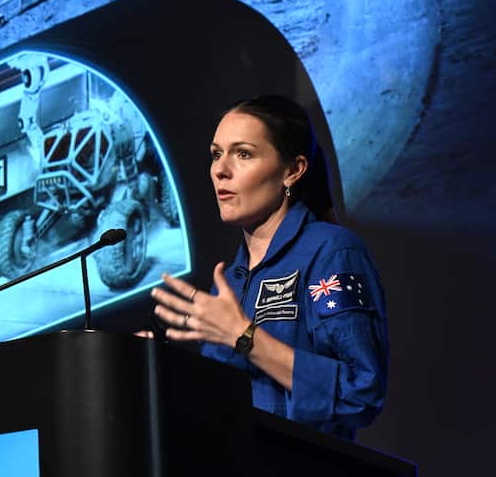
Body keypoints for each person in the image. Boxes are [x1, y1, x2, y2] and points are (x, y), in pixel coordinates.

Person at [150, 95, 387, 440]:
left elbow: (362, 392)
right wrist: (156, 369)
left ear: (293, 170)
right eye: (217, 154)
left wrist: (245, 338)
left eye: (243, 154)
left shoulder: (331, 251)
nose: (220, 169)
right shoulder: (229, 282)